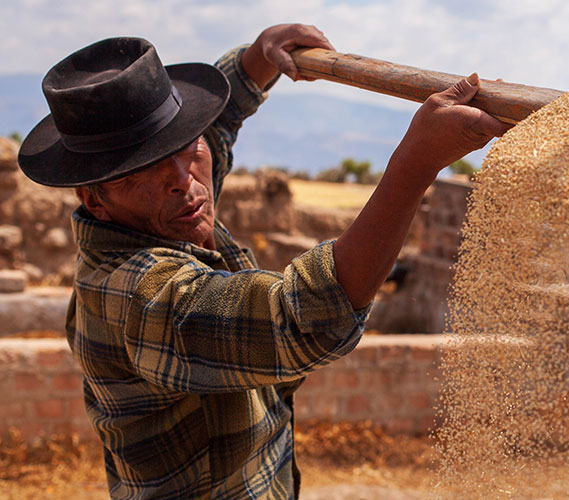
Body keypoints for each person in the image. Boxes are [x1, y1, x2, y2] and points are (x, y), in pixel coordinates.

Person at [16, 23, 508, 499]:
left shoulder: (164, 207)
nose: (184, 180)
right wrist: (416, 163)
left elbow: (217, 128)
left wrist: (255, 60)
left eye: (187, 148)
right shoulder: (142, 296)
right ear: (94, 198)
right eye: (141, 171)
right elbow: (304, 316)